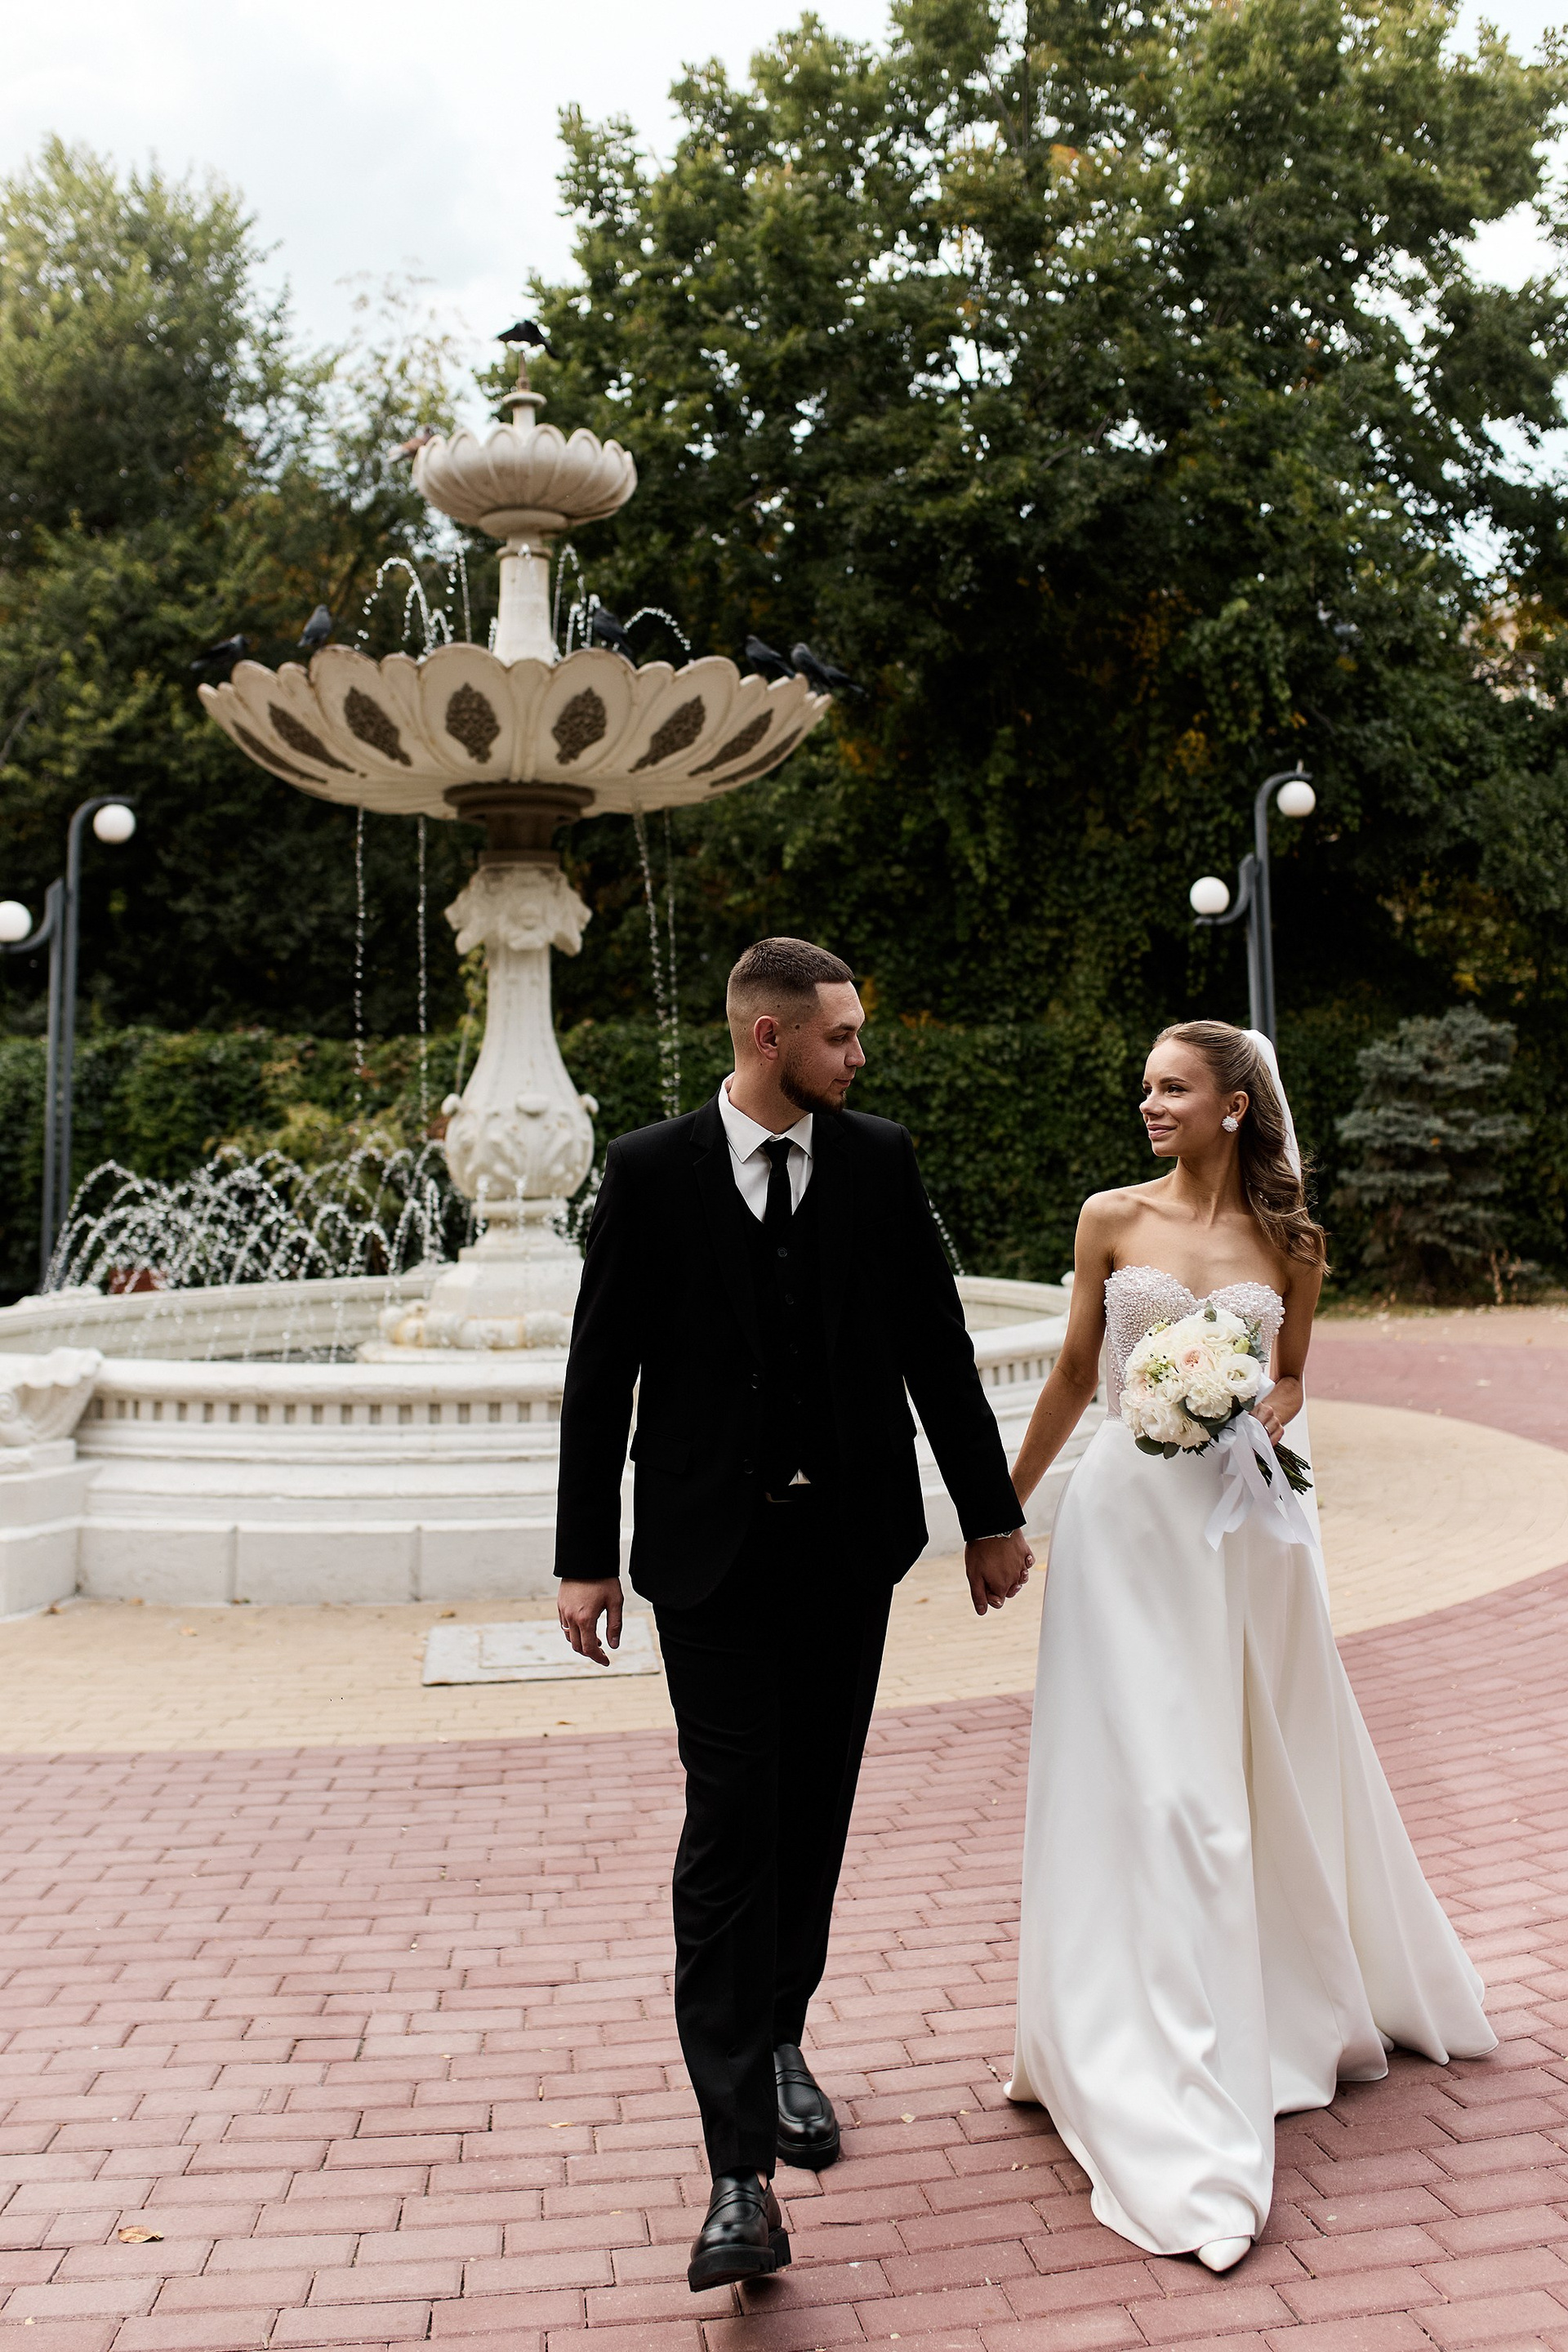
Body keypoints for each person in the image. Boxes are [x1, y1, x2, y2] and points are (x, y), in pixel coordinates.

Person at [554, 937, 1033, 2292]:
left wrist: (990, 1516)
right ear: (770, 1037)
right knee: (730, 1826)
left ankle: (779, 2041)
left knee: (811, 1808)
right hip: (710, 1559)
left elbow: (936, 1345)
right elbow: (601, 1370)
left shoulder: (876, 1160)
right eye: (841, 1036)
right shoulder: (650, 1171)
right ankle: (736, 2176)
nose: (859, 1056)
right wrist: (585, 1557)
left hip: (846, 1551)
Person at [1004, 1019, 1495, 2273]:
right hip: (1124, 1534)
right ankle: (1128, 2035)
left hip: (1238, 1540)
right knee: (1159, 1787)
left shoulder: (1293, 1242)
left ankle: (1256, 2005)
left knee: (1237, 1771)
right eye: (1147, 1085)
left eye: (1174, 1086)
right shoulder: (1111, 1217)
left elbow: (1291, 1380)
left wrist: (1251, 1405)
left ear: (1234, 1105)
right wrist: (1002, 1511)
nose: (1151, 1102)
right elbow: (1076, 1374)